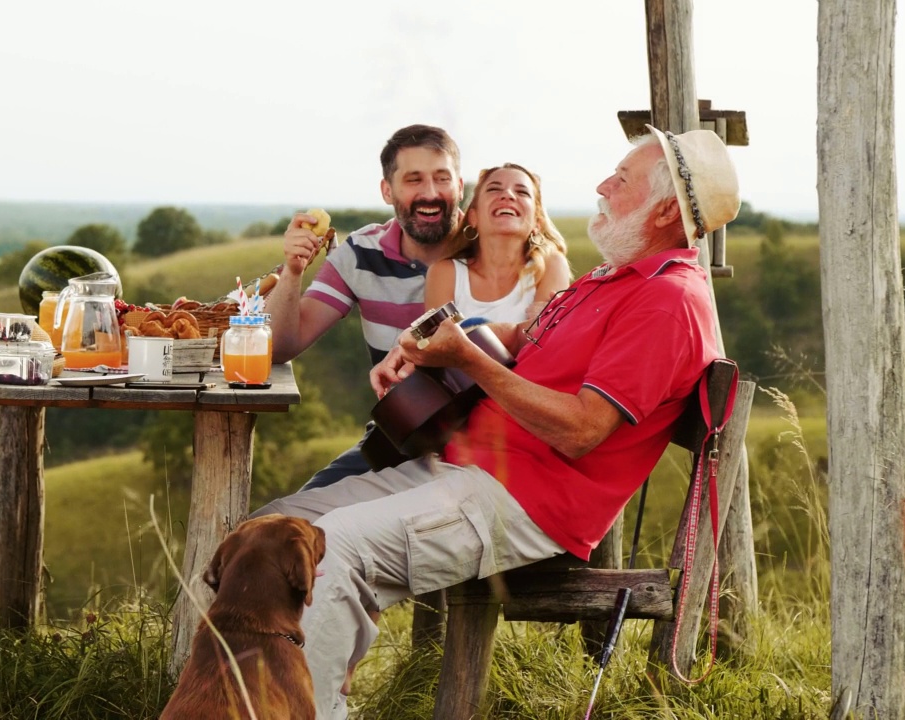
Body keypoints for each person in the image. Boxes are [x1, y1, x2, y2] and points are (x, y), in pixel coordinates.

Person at [257, 125, 741, 717]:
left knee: (332, 550)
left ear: (665, 208)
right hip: (459, 464)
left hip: (520, 498)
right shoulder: (609, 278)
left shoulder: (668, 303)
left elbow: (581, 429)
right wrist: (431, 344)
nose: (601, 185)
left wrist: (467, 360)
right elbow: (524, 334)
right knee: (262, 536)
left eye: (621, 178)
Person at [265, 124, 466, 490]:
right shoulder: (360, 253)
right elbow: (280, 346)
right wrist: (293, 271)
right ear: (387, 190)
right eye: (414, 180)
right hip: (398, 437)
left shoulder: (492, 248)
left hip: (486, 446)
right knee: (285, 529)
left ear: (460, 186)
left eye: (442, 178)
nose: (431, 193)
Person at [425, 163, 571, 326]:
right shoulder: (445, 273)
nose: (508, 195)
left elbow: (541, 344)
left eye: (522, 192)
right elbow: (440, 345)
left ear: (537, 223)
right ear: (474, 217)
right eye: (494, 189)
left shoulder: (550, 266)